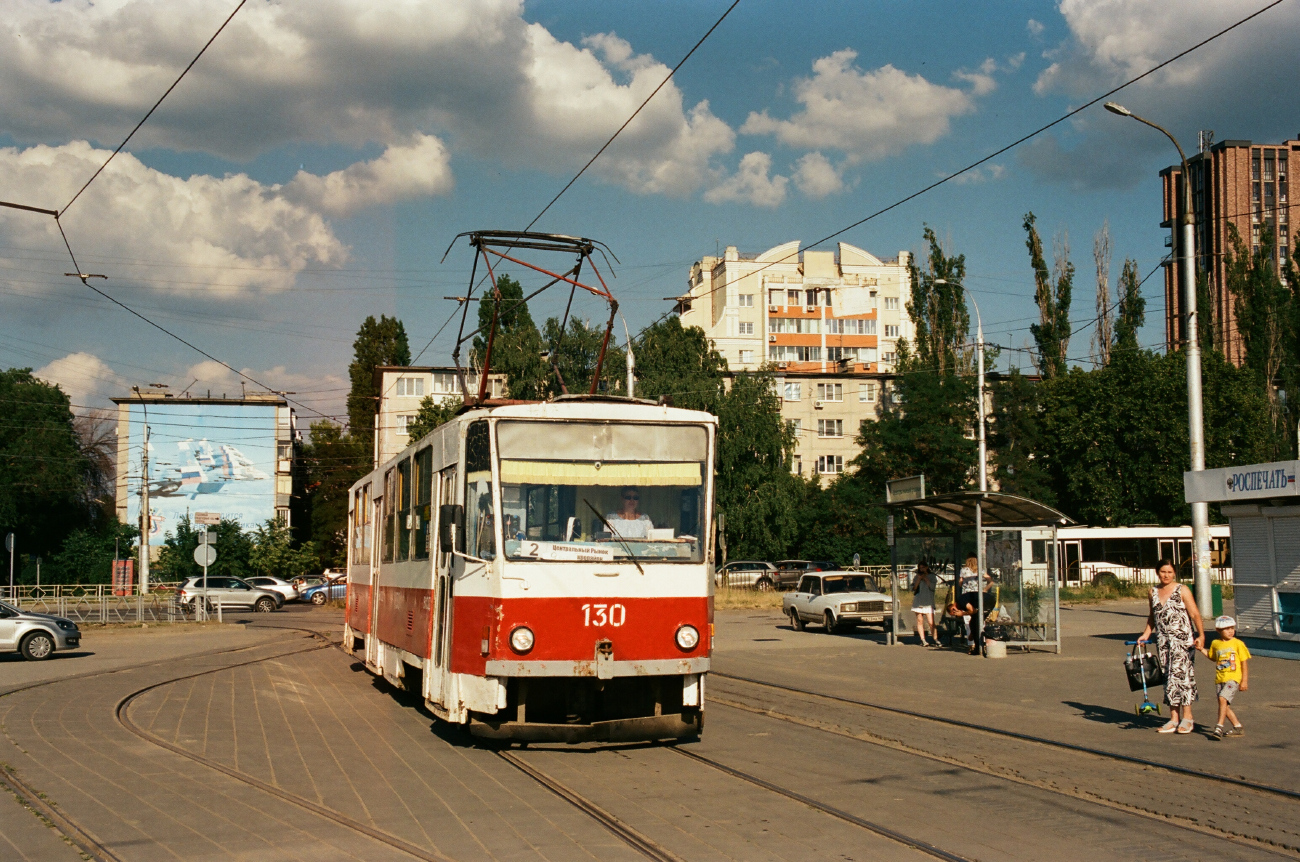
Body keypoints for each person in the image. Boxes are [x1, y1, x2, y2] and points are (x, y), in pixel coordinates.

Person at [1138, 559, 1205, 734]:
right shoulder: (1152, 591)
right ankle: (1174, 718)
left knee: (1182, 676)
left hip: (1182, 641)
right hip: (1163, 641)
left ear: (1174, 573)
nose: (1166, 575)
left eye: (1169, 572)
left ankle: (1187, 718)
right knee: (1168, 676)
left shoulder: (1182, 590)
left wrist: (1201, 635)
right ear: (1157, 573)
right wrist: (1146, 634)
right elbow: (1152, 616)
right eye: (1163, 572)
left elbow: (1195, 614)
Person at [1202, 615, 1250, 738]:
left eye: (1232, 628)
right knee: (1224, 705)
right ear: (1218, 630)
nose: (1230, 631)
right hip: (1220, 678)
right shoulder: (1215, 643)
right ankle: (1237, 727)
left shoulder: (1238, 643)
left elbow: (1244, 662)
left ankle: (1219, 727)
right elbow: (1213, 657)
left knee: (1222, 699)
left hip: (1233, 678)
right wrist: (1201, 649)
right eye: (1227, 629)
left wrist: (1244, 681)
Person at [958, 555, 991, 655]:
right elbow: (990, 580)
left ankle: (971, 645)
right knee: (980, 621)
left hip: (967, 597)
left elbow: (960, 582)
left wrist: (964, 584)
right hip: (978, 597)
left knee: (968, 622)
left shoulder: (964, 570)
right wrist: (985, 590)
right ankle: (982, 643)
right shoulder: (980, 570)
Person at [910, 561, 937, 646]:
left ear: (927, 567)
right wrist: (918, 579)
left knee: (931, 622)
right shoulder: (916, 577)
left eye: (923, 568)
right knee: (920, 620)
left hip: (928, 601)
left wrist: (925, 578)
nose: (921, 569)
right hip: (918, 601)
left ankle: (935, 639)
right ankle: (923, 639)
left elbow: (932, 587)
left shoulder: (932, 576)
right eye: (920, 568)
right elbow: (914, 588)